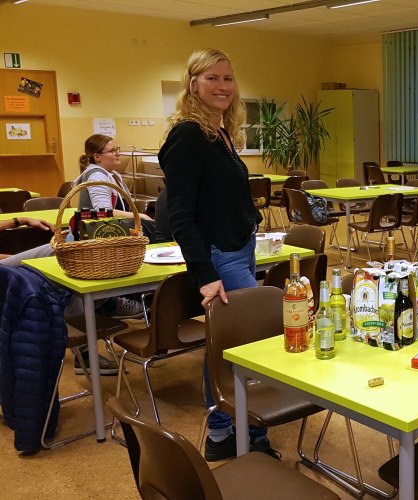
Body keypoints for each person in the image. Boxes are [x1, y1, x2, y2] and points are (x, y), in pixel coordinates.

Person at [158, 48, 273, 462]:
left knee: (226, 343)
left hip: (240, 247)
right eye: (212, 78)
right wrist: (204, 274)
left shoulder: (220, 133)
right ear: (193, 84)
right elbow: (180, 216)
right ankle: (241, 431)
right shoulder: (187, 136)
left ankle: (224, 432)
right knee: (249, 340)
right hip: (218, 255)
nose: (222, 86)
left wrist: (250, 221)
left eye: (228, 78)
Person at [72, 134, 153, 320]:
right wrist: (139, 216)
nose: (118, 153)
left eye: (118, 149)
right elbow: (103, 212)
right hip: (95, 238)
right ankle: (112, 303)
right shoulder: (96, 175)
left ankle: (138, 297)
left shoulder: (113, 175)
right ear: (97, 157)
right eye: (112, 151)